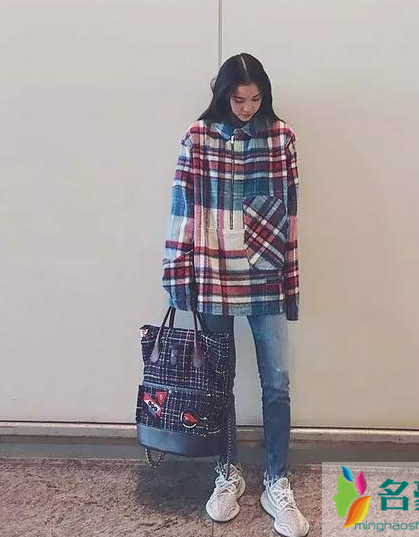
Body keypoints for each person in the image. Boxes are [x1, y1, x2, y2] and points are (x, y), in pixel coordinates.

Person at [161, 52, 309, 537]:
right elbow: (182, 207)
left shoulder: (282, 138)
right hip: (212, 271)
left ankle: (276, 479)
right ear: (223, 95)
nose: (247, 108)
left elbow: (290, 214)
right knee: (218, 382)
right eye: (239, 99)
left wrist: (291, 280)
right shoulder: (198, 138)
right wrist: (177, 273)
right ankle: (227, 472)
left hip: (267, 273)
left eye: (256, 99)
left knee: (277, 382)